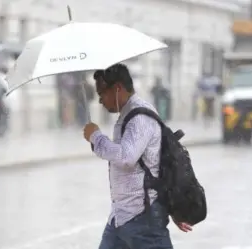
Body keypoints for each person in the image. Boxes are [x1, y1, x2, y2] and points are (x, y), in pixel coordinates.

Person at [82, 63, 192, 249]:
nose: (100, 100)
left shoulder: (140, 118)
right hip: (120, 217)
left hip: (143, 218)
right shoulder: (127, 115)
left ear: (117, 89)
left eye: (102, 94)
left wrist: (96, 137)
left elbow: (126, 157)